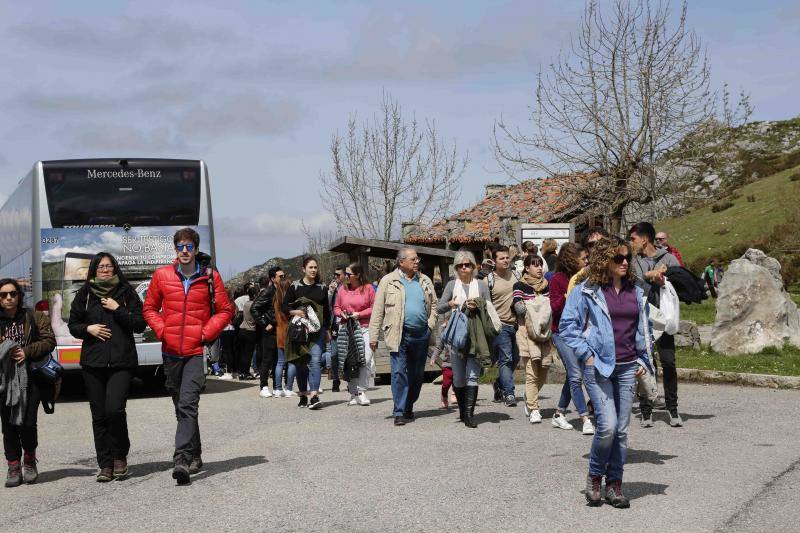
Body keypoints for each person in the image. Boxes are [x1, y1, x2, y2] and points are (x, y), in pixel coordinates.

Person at [560, 238, 654, 508]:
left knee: (621, 431)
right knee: (607, 427)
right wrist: (587, 355)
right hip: (598, 366)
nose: (625, 262)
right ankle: (594, 476)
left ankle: (615, 484)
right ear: (605, 261)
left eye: (627, 257)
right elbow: (568, 326)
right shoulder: (586, 289)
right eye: (619, 258)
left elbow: (644, 328)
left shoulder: (635, 290)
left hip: (627, 367)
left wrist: (643, 360)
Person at [142, 227, 233, 485]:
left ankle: (181, 459)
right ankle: (195, 453)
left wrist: (205, 333)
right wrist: (163, 330)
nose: (184, 251)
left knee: (187, 404)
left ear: (195, 249)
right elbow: (149, 308)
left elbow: (226, 310)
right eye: (180, 246)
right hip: (170, 352)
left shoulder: (209, 277)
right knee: (180, 406)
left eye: (189, 246)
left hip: (194, 352)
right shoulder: (162, 275)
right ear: (175, 249)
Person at [68, 253, 146, 482]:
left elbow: (140, 324)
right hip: (93, 362)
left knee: (115, 410)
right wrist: (88, 329)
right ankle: (106, 464)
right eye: (101, 266)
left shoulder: (126, 292)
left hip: (122, 361)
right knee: (99, 415)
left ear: (115, 269)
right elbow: (73, 325)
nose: (105, 270)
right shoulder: (85, 293)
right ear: (93, 270)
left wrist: (117, 309)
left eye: (109, 266)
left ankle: (120, 456)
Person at [369, 247, 437, 426]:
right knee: (399, 372)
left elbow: (435, 305)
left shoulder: (425, 280)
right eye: (413, 259)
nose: (417, 262)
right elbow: (378, 310)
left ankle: (408, 406)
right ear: (401, 262)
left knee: (416, 375)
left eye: (417, 259)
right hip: (399, 334)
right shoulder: (388, 281)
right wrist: (373, 336)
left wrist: (429, 325)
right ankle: (399, 411)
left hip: (421, 334)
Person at [0, 278, 55, 488]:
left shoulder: (33, 316)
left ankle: (29, 460)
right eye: (3, 294)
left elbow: (49, 340)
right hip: (4, 381)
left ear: (19, 295)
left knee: (28, 423)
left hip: (30, 379)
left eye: (12, 293)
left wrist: (27, 351)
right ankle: (13, 465)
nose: (8, 298)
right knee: (9, 425)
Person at [629, 222, 682, 428]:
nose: (631, 243)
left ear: (645, 239)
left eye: (633, 239)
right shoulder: (633, 261)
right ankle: (646, 410)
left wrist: (665, 280)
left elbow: (681, 283)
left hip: (664, 319)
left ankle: (673, 409)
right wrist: (648, 276)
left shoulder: (669, 258)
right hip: (641, 320)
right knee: (645, 364)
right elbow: (627, 282)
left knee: (668, 362)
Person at [437, 251, 491, 428]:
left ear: (474, 266)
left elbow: (489, 309)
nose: (464, 268)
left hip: (476, 336)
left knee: (472, 376)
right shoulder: (452, 285)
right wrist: (452, 304)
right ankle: (462, 411)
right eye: (460, 265)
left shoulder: (481, 286)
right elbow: (439, 308)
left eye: (467, 265)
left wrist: (479, 306)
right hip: (457, 338)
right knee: (459, 378)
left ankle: (469, 415)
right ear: (456, 268)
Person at [549, 243, 594, 435]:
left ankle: (559, 413)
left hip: (580, 333)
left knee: (572, 375)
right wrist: (568, 297)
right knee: (576, 375)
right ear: (571, 259)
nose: (586, 262)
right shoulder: (557, 279)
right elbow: (555, 306)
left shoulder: (586, 279)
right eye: (583, 258)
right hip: (560, 332)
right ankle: (584, 418)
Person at [282, 256, 330, 410]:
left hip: (317, 331)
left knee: (315, 361)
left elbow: (327, 311)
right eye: (310, 267)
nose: (314, 270)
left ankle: (314, 395)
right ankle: (303, 395)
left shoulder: (322, 287)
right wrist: (295, 311)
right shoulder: (295, 287)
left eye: (315, 267)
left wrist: (328, 329)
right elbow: (284, 308)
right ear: (303, 269)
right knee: (300, 364)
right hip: (299, 331)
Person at [512, 254, 555, 425]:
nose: (538, 268)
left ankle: (528, 396)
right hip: (526, 333)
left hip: (544, 334)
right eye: (534, 265)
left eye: (540, 265)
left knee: (543, 373)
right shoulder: (520, 285)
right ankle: (534, 408)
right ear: (527, 268)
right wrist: (527, 306)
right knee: (531, 373)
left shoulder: (547, 286)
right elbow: (517, 305)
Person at [334, 262, 376, 406]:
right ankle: (353, 393)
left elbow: (374, 308)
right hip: (347, 329)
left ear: (357, 275)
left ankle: (361, 390)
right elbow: (336, 308)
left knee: (366, 358)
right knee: (349, 360)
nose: (345, 276)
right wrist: (342, 314)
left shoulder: (369, 288)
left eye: (348, 274)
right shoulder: (342, 290)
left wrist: (359, 314)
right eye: (345, 273)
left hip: (364, 327)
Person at [485, 245, 520, 407]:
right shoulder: (488, 281)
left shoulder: (516, 276)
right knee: (505, 358)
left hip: (517, 324)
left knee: (516, 358)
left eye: (507, 257)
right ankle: (509, 393)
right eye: (501, 258)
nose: (505, 260)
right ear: (494, 261)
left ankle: (499, 383)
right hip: (499, 325)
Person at [251, 268, 285, 398]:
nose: (283, 278)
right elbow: (254, 308)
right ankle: (263, 386)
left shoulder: (281, 291)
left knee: (278, 359)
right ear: (273, 278)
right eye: (280, 276)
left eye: (284, 275)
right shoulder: (268, 292)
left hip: (279, 329)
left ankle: (277, 387)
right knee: (267, 358)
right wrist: (265, 323)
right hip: (269, 331)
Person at [272, 279, 296, 398]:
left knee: (280, 362)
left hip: (279, 332)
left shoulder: (276, 300)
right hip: (290, 332)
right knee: (291, 362)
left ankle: (277, 389)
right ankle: (289, 388)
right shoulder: (290, 302)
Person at [326, 266, 346, 393]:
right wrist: (330, 292)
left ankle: (350, 380)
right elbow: (327, 306)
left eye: (338, 275)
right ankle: (335, 380)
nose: (336, 277)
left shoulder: (350, 288)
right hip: (335, 325)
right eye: (335, 275)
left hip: (347, 324)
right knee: (334, 354)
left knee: (347, 354)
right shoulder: (333, 289)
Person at [236, 286, 259, 381]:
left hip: (242, 330)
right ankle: (245, 373)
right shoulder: (255, 305)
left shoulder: (246, 304)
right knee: (248, 354)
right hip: (250, 331)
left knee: (243, 354)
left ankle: (241, 372)